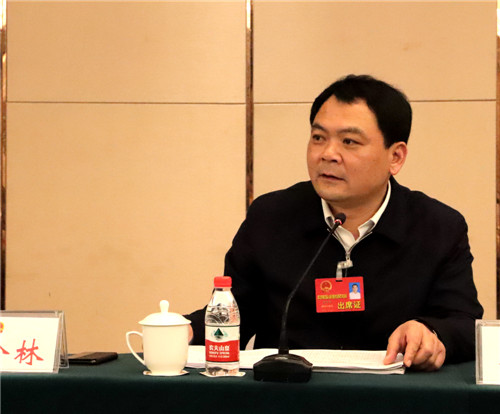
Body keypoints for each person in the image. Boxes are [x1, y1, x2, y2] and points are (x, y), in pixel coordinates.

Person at [186, 74, 483, 371]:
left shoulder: (437, 227)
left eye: (349, 141)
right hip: (289, 390)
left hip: (392, 391)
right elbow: (235, 314)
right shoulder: (270, 217)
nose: (328, 154)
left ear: (395, 157)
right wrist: (181, 330)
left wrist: (431, 332)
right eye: (318, 138)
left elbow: (464, 323)